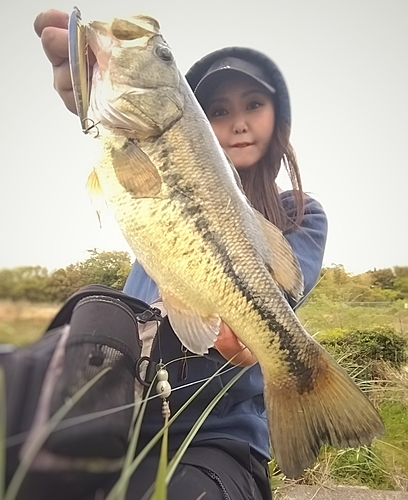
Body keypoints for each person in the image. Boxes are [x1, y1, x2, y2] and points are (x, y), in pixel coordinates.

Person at [33, 10, 328, 500]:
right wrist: (92, 96)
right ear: (196, 122)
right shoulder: (153, 169)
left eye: (253, 104)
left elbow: (276, 299)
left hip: (219, 438)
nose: (236, 122)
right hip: (123, 420)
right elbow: (137, 154)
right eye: (216, 110)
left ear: (279, 118)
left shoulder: (301, 213)